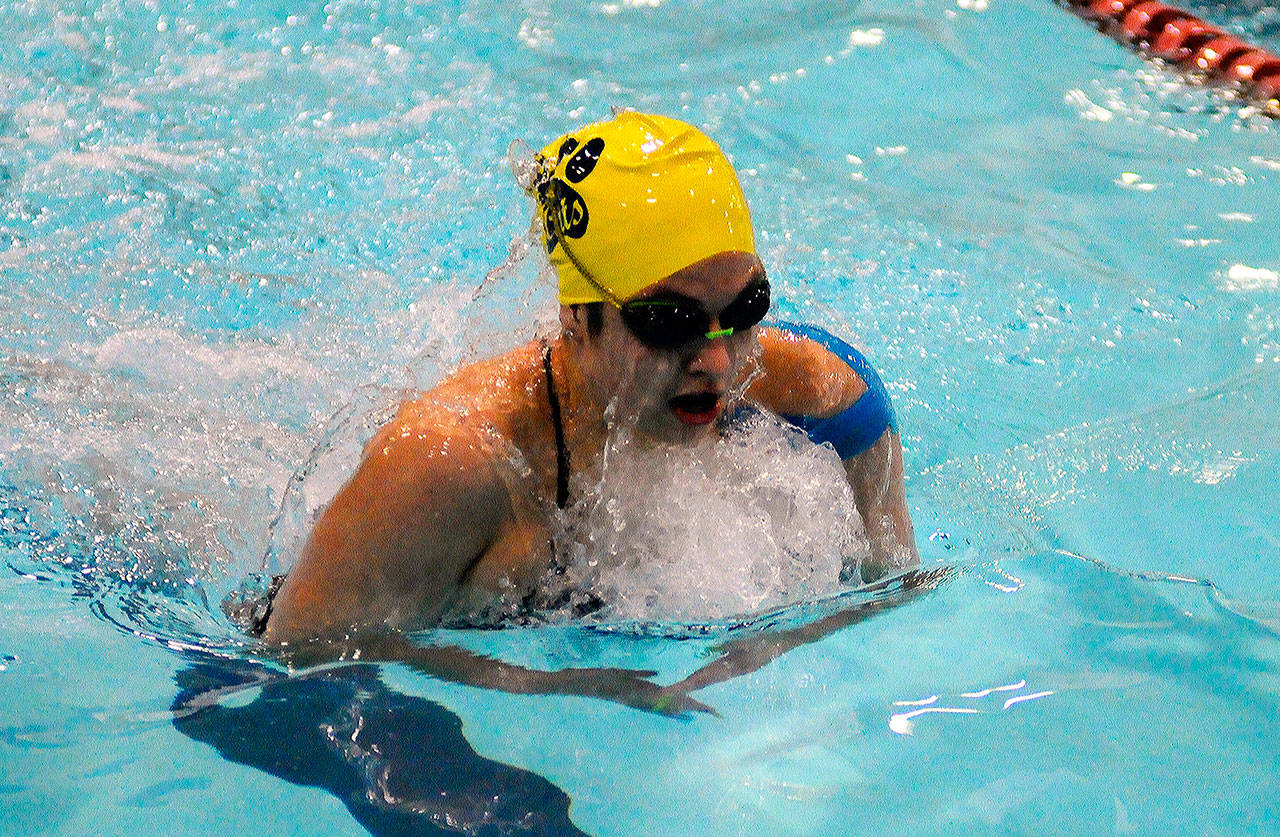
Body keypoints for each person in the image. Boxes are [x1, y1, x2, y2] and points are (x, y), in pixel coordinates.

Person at [259, 113, 918, 696]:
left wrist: (770, 647)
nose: (717, 362)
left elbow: (893, 594)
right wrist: (560, 685)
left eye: (745, 309)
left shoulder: (827, 403)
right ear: (576, 315)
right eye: (668, 321)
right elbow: (295, 657)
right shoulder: (453, 465)